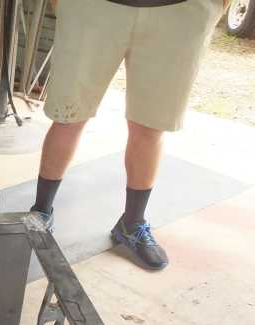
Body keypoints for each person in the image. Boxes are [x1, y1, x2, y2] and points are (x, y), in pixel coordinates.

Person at [32, 0, 229, 270]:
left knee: (151, 125)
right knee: (68, 115)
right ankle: (41, 211)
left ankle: (132, 223)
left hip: (180, 11)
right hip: (94, 6)